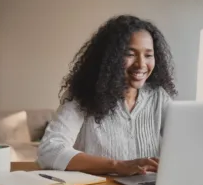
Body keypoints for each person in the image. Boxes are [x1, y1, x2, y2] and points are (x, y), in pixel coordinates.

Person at [37, 15, 177, 176]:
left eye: (148, 55)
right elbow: (49, 151)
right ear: (111, 58)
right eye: (130, 54)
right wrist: (117, 166)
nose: (141, 64)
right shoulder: (84, 95)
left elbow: (185, 145)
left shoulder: (159, 97)